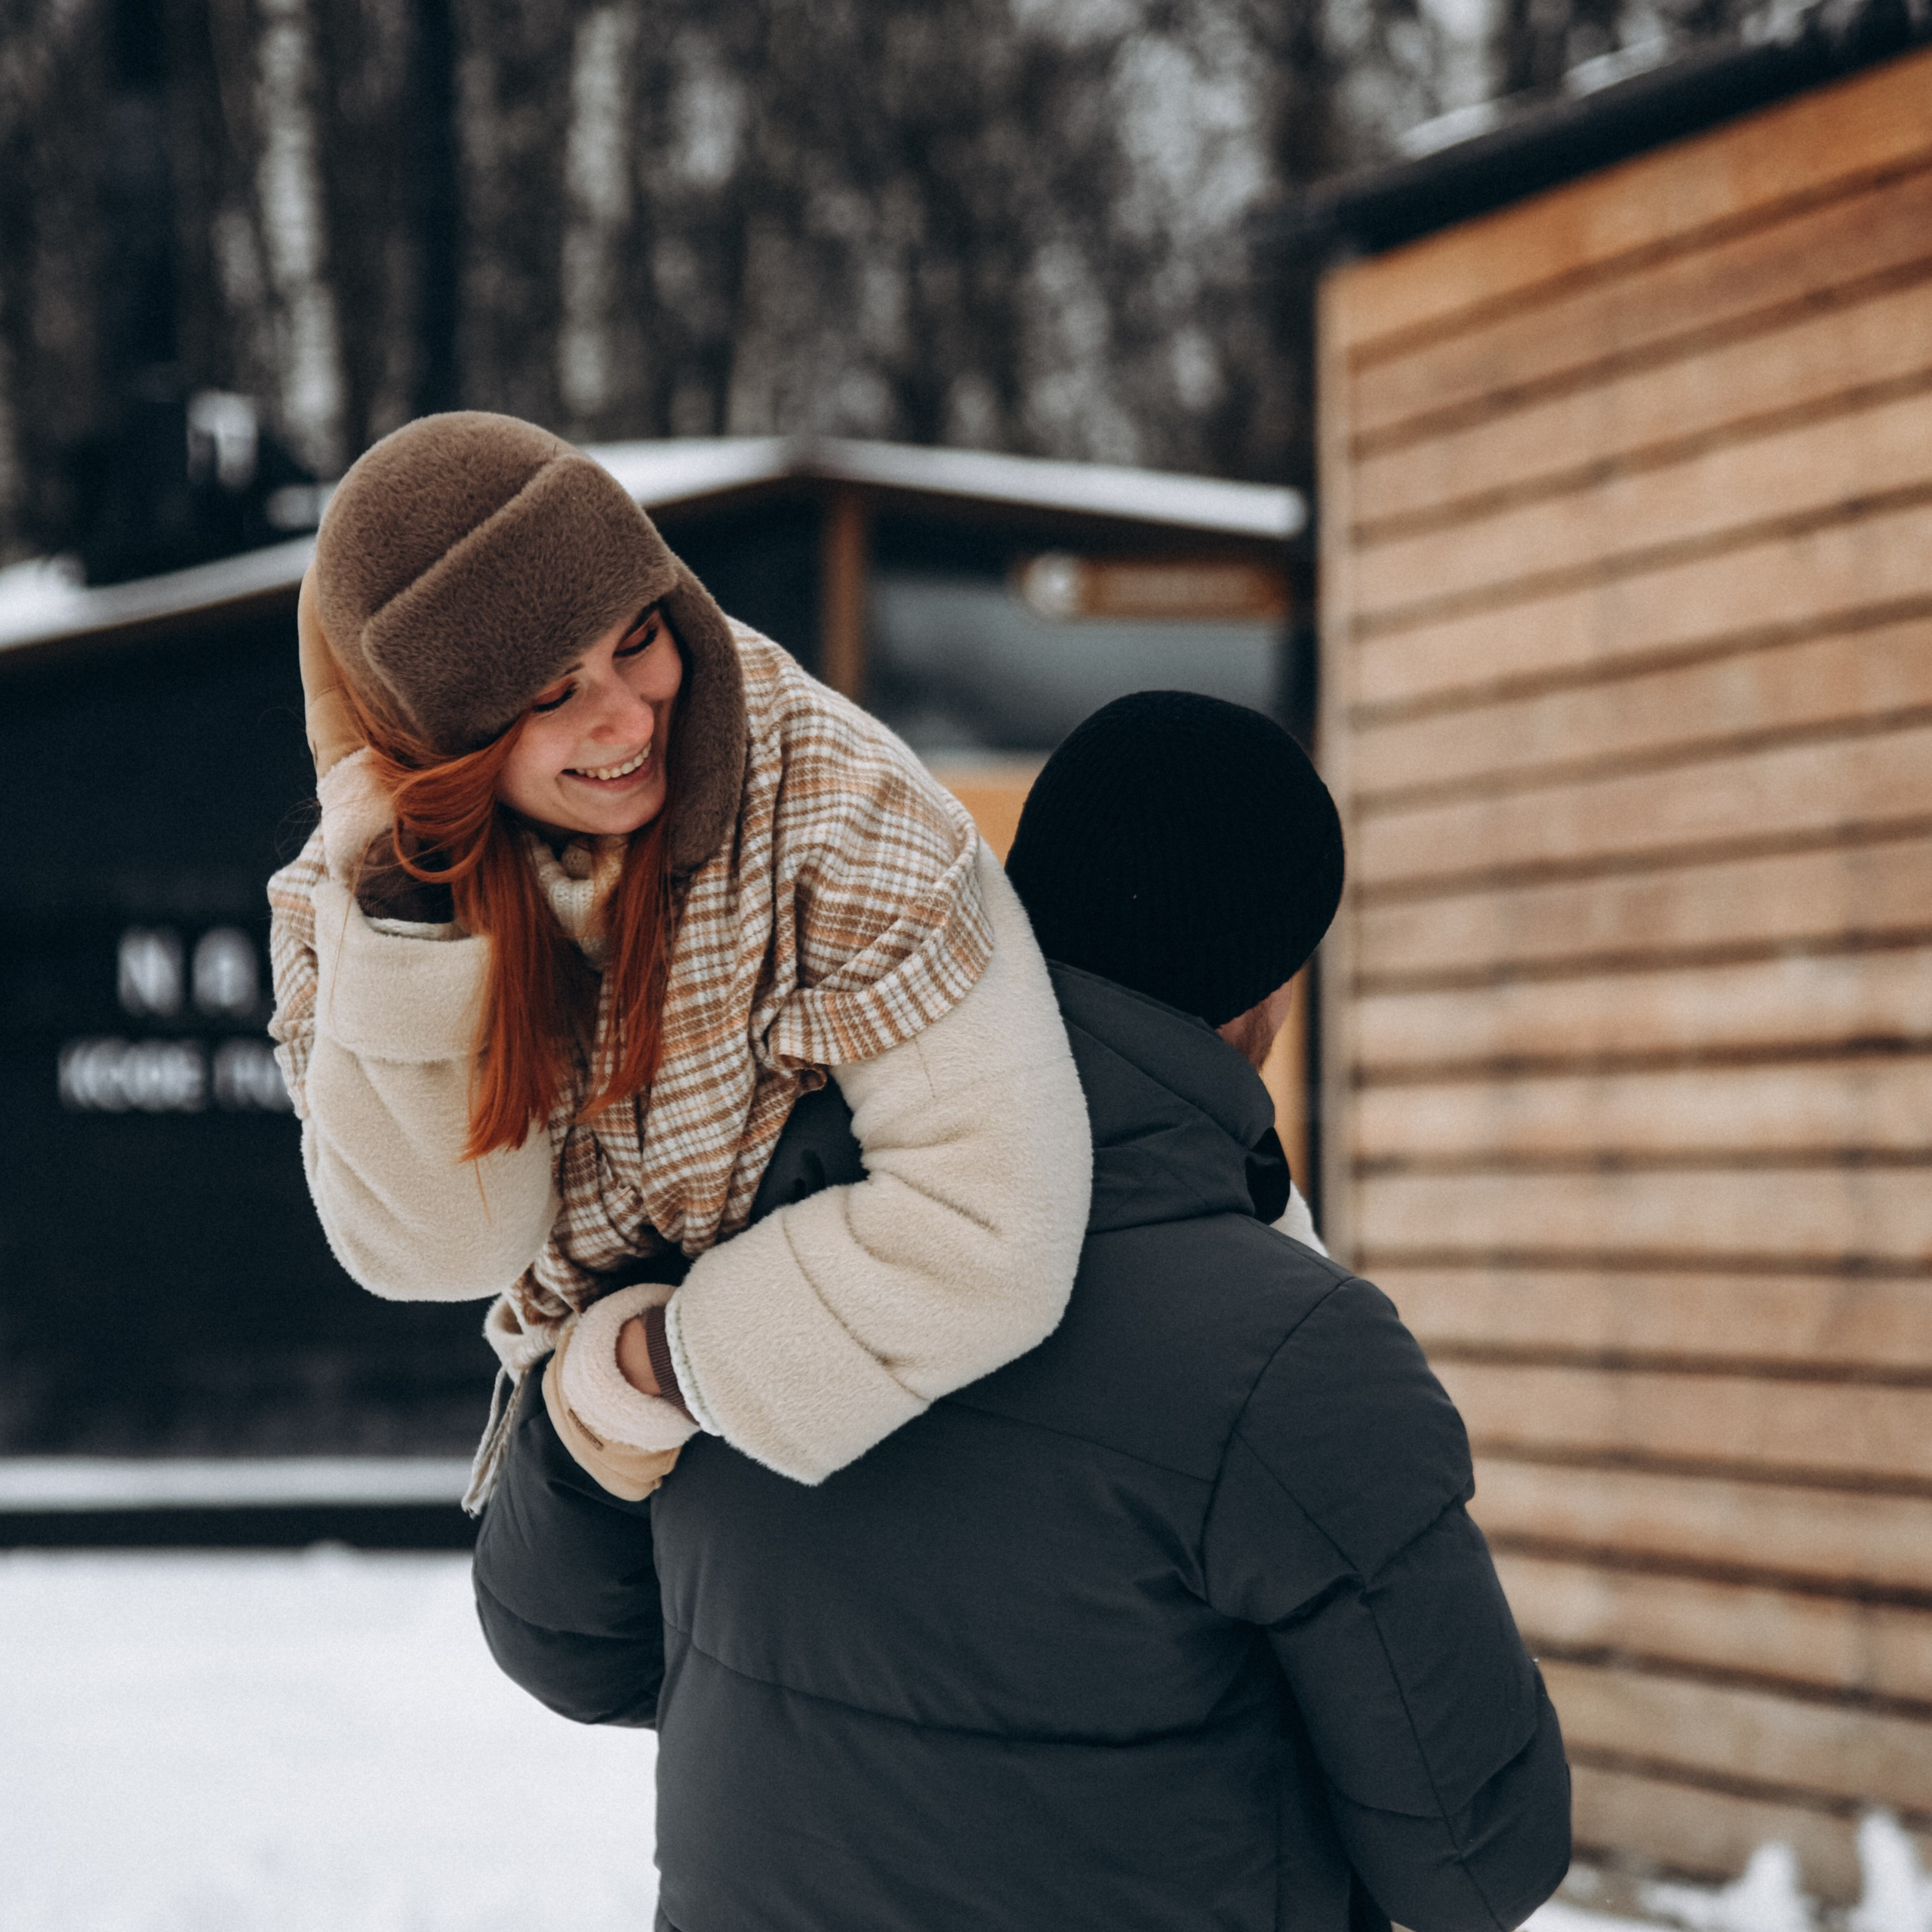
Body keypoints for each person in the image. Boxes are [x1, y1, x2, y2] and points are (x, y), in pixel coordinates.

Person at [472, 691, 1573, 1932]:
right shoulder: (1292, 1357)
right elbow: (1484, 1861)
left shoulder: (744, 1196)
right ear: (1270, 990)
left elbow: (565, 1643)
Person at [266, 410, 1091, 1505]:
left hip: (916, 1431)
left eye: (636, 640)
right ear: (445, 749)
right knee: (546, 1616)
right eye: (550, 695)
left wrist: (642, 1365)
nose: (625, 722)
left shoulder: (842, 814)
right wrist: (405, 884)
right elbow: (445, 1249)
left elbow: (991, 1231)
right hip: (631, 1440)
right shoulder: (354, 900)